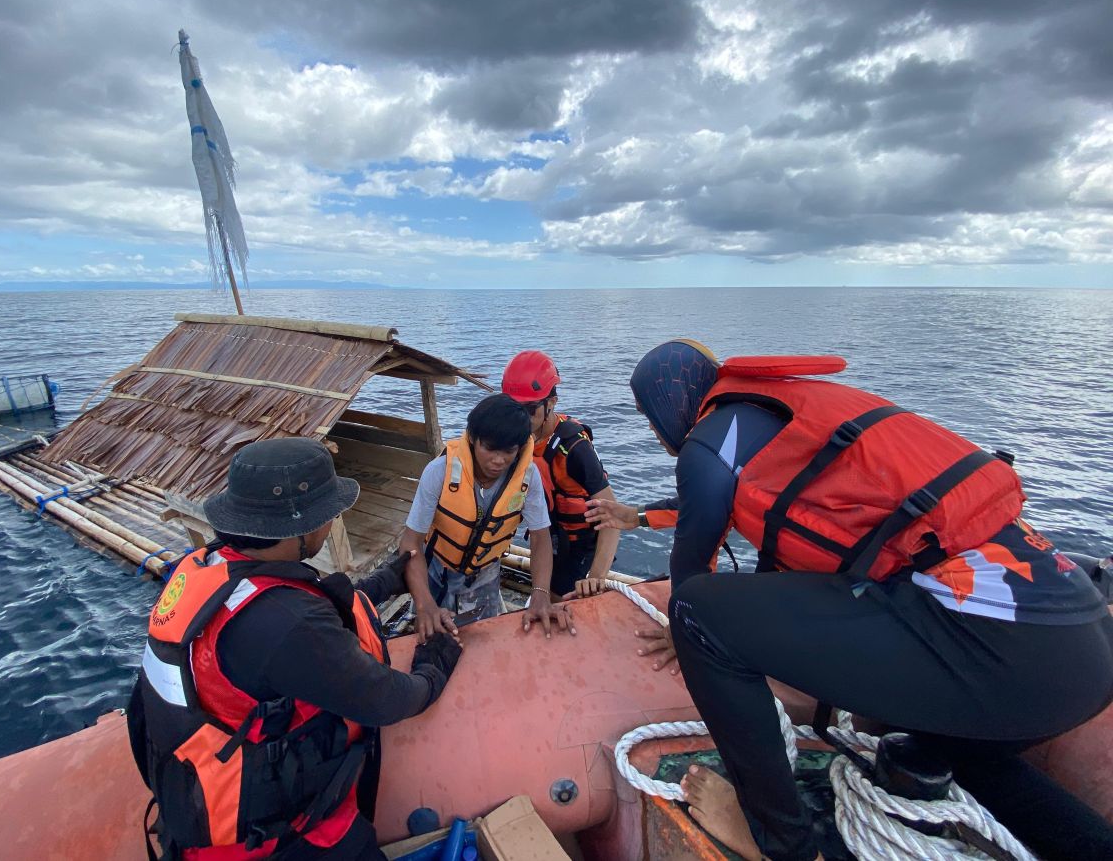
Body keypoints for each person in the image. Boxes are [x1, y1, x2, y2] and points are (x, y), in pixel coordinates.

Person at [587, 340, 1113, 861]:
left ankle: (779, 841)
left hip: (993, 649)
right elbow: (739, 496)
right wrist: (640, 516)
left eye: (647, 416)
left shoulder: (708, 441)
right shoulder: (781, 410)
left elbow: (693, 562)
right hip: (1078, 656)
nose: (656, 435)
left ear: (665, 401)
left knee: (698, 612)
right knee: (957, 755)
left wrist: (686, 632)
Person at [127, 438, 462, 860]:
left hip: (195, 806)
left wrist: (384, 580)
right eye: (329, 515)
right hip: (277, 839)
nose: (332, 522)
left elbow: (298, 624)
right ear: (302, 530)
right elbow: (384, 700)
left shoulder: (206, 569)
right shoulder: (289, 623)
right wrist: (435, 666)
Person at [399, 393, 575, 643]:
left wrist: (540, 593)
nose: (498, 460)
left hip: (485, 572)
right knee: (428, 636)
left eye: (509, 451)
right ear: (472, 439)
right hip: (435, 569)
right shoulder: (438, 472)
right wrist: (424, 603)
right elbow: (410, 543)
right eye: (489, 448)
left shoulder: (528, 477)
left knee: (482, 642)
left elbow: (540, 537)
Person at [501, 350, 620, 598]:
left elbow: (612, 516)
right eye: (514, 408)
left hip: (579, 545)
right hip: (547, 535)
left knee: (563, 601)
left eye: (530, 409)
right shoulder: (517, 439)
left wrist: (596, 577)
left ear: (551, 403)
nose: (521, 418)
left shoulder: (575, 448)